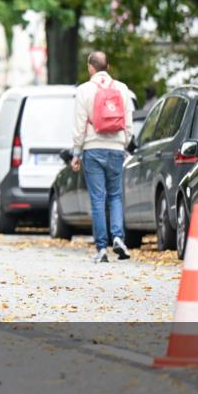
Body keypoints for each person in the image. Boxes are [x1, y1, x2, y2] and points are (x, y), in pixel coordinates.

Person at [70, 51, 134, 263]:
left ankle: (102, 248)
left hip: (93, 148)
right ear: (109, 66)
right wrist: (122, 143)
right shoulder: (122, 89)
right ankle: (118, 237)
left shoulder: (84, 90)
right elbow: (129, 124)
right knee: (115, 195)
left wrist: (76, 152)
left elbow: (79, 125)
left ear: (91, 67)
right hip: (116, 148)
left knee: (98, 199)